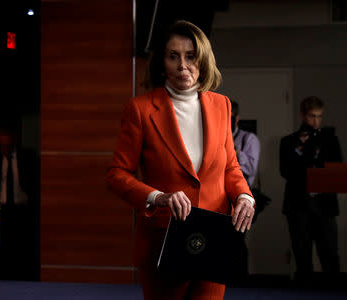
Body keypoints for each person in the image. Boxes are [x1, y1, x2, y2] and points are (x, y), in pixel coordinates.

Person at [106, 20, 255, 300]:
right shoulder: (139, 109)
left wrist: (245, 197)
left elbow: (231, 167)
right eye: (173, 56)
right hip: (163, 240)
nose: (183, 65)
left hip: (214, 237)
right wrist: (158, 197)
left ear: (202, 60)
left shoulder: (221, 105)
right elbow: (116, 175)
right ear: (162, 62)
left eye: (190, 56)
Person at [280, 96, 342, 284]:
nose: (316, 121)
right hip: (298, 205)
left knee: (330, 253)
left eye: (319, 116)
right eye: (312, 116)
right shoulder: (289, 142)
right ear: (302, 115)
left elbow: (337, 173)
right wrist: (301, 151)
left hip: (325, 205)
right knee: (302, 253)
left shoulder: (331, 141)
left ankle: (333, 291)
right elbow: (285, 172)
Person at [231, 101, 260, 187]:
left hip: (241, 190)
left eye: (230, 118)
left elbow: (251, 169)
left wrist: (236, 152)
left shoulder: (249, 139)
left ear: (237, 118)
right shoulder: (216, 137)